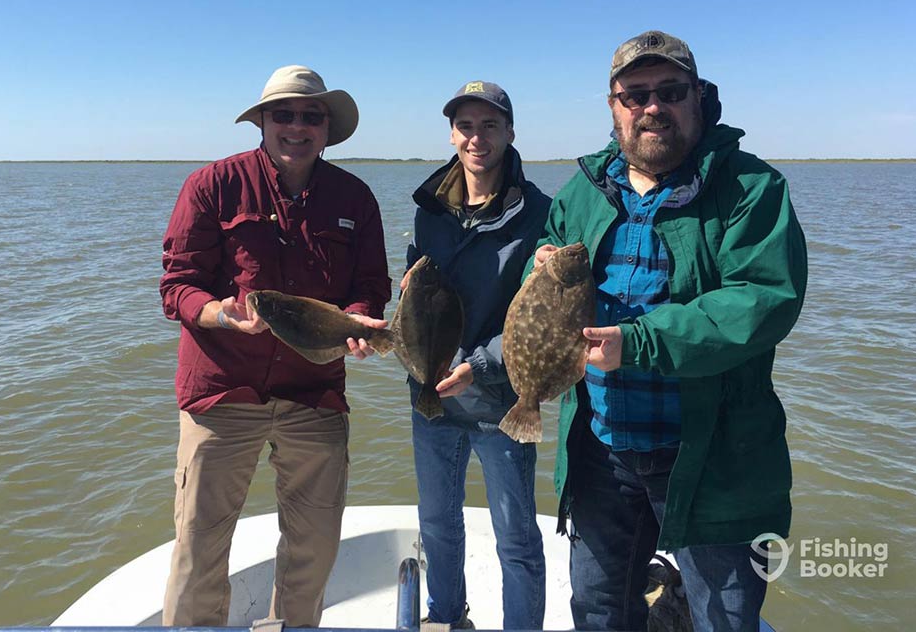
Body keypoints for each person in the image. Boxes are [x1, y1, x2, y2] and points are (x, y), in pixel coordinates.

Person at [530, 31, 808, 632]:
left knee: (724, 619)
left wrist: (640, 341)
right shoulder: (581, 192)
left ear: (699, 99)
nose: (651, 106)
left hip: (714, 457)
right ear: (614, 107)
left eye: (670, 91)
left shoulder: (753, 189)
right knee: (599, 610)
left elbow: (762, 301)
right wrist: (541, 267)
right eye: (634, 95)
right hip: (600, 451)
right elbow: (541, 271)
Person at [159, 65, 391, 627]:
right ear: (261, 121)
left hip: (314, 392)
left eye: (311, 116)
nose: (297, 126)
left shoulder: (354, 198)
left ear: (327, 128)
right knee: (198, 547)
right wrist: (221, 314)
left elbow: (369, 288)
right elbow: (176, 286)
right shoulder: (212, 185)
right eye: (283, 114)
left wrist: (360, 322)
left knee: (313, 546)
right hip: (222, 392)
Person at [404, 81, 551, 630]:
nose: (477, 137)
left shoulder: (540, 214)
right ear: (451, 134)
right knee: (437, 523)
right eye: (466, 125)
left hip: (499, 401)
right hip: (430, 392)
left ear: (510, 133)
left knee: (515, 537)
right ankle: (445, 616)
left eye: (490, 125)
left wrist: (483, 366)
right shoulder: (429, 211)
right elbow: (418, 296)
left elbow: (542, 315)